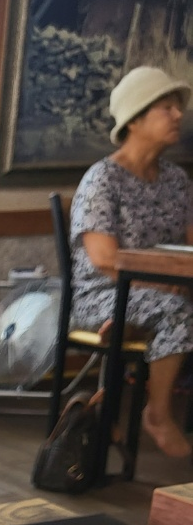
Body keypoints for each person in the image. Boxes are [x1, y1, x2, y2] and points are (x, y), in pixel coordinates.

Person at [69, 65, 193, 459]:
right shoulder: (102, 179)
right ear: (135, 119)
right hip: (103, 295)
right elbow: (104, 260)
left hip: (163, 290)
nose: (178, 115)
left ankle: (124, 346)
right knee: (177, 311)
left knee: (177, 305)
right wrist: (160, 285)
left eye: (178, 108)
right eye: (166, 108)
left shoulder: (176, 180)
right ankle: (157, 414)